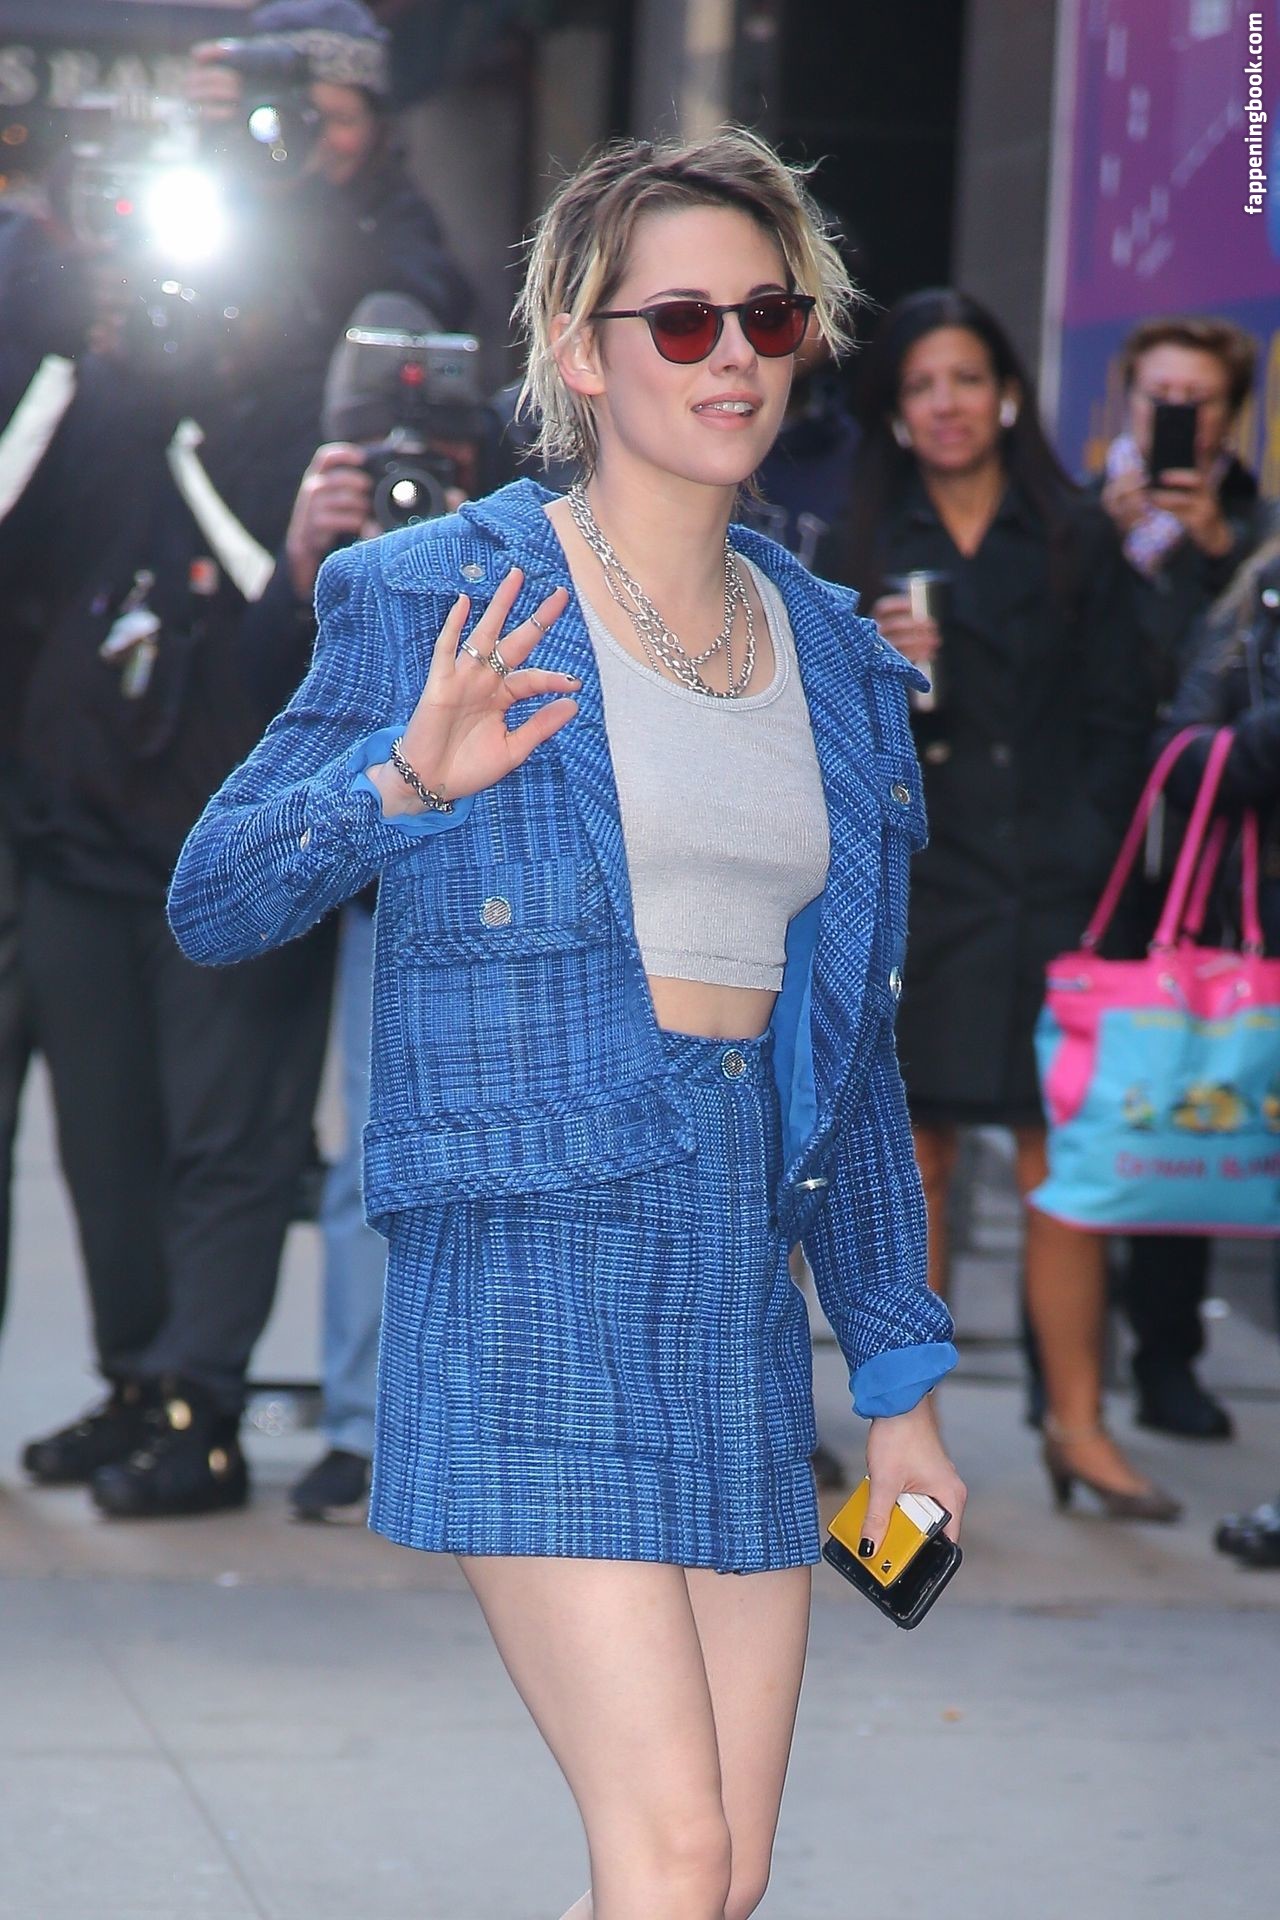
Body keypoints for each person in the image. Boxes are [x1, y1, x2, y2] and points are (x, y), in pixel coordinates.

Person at [169, 128, 967, 1916]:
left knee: (722, 1875)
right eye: (679, 321)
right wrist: (398, 783)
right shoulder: (439, 595)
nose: (733, 356)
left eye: (767, 315)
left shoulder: (838, 659)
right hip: (531, 1263)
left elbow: (849, 1058)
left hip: (735, 1277)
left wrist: (899, 1376)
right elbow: (215, 899)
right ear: (578, 351)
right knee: (670, 1857)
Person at [13, 1, 472, 1520]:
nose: (273, 149)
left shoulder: (386, 281)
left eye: (299, 117)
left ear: (365, 123)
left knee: (233, 1131)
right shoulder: (117, 319)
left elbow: (380, 508)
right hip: (94, 783)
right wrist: (92, 322)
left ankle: (202, 1398)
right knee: (109, 1134)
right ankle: (141, 1378)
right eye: (238, 122)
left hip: (255, 779)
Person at [841, 287, 1180, 1523]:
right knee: (913, 1165)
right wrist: (877, 672)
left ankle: (1076, 1429)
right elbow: (812, 735)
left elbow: (1122, 716)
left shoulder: (1073, 532)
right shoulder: (863, 544)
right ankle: (909, 1437)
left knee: (1061, 1163)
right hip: (923, 886)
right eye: (920, 385)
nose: (944, 404)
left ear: (1006, 398)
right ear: (895, 410)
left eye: (965, 380)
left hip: (1052, 892)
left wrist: (1090, 849)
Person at [1095, 315, 1270, 1442]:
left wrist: (1207, 558)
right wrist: (1112, 552)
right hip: (1095, 850)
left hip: (1206, 866)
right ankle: (1062, 1374)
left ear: (1229, 416)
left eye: (1196, 399)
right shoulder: (1081, 521)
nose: (1174, 415)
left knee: (1184, 1104)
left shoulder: (1256, 544)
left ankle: (1165, 1356)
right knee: (1072, 1104)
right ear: (1126, 399)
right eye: (1157, 393)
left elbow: (1223, 698)